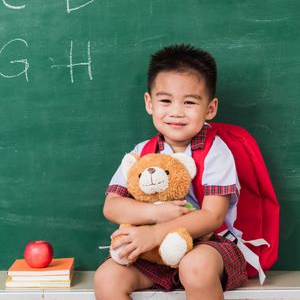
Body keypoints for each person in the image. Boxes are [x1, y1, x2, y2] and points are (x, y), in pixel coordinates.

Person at [93, 44, 248, 300]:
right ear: (149, 103)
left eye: (189, 102)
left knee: (195, 267)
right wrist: (154, 215)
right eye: (165, 100)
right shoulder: (141, 153)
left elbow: (212, 216)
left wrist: (155, 232)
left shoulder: (216, 152)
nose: (176, 111)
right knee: (107, 278)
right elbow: (112, 206)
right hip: (152, 251)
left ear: (210, 108)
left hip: (207, 246)